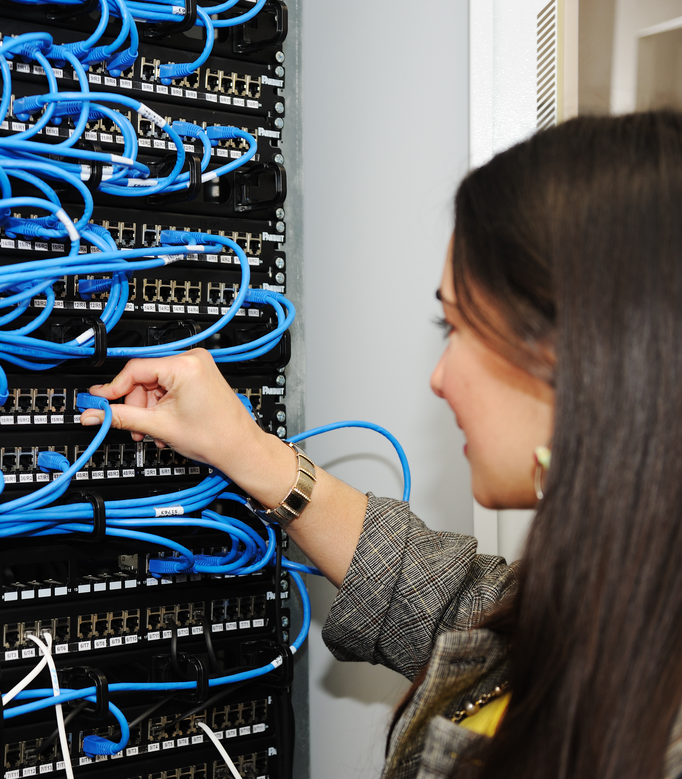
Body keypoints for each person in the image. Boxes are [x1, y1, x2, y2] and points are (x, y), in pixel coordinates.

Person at [79, 110, 682, 779]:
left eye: (458, 326)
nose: (439, 377)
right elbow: (458, 608)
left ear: (579, 353)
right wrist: (246, 449)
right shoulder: (631, 599)